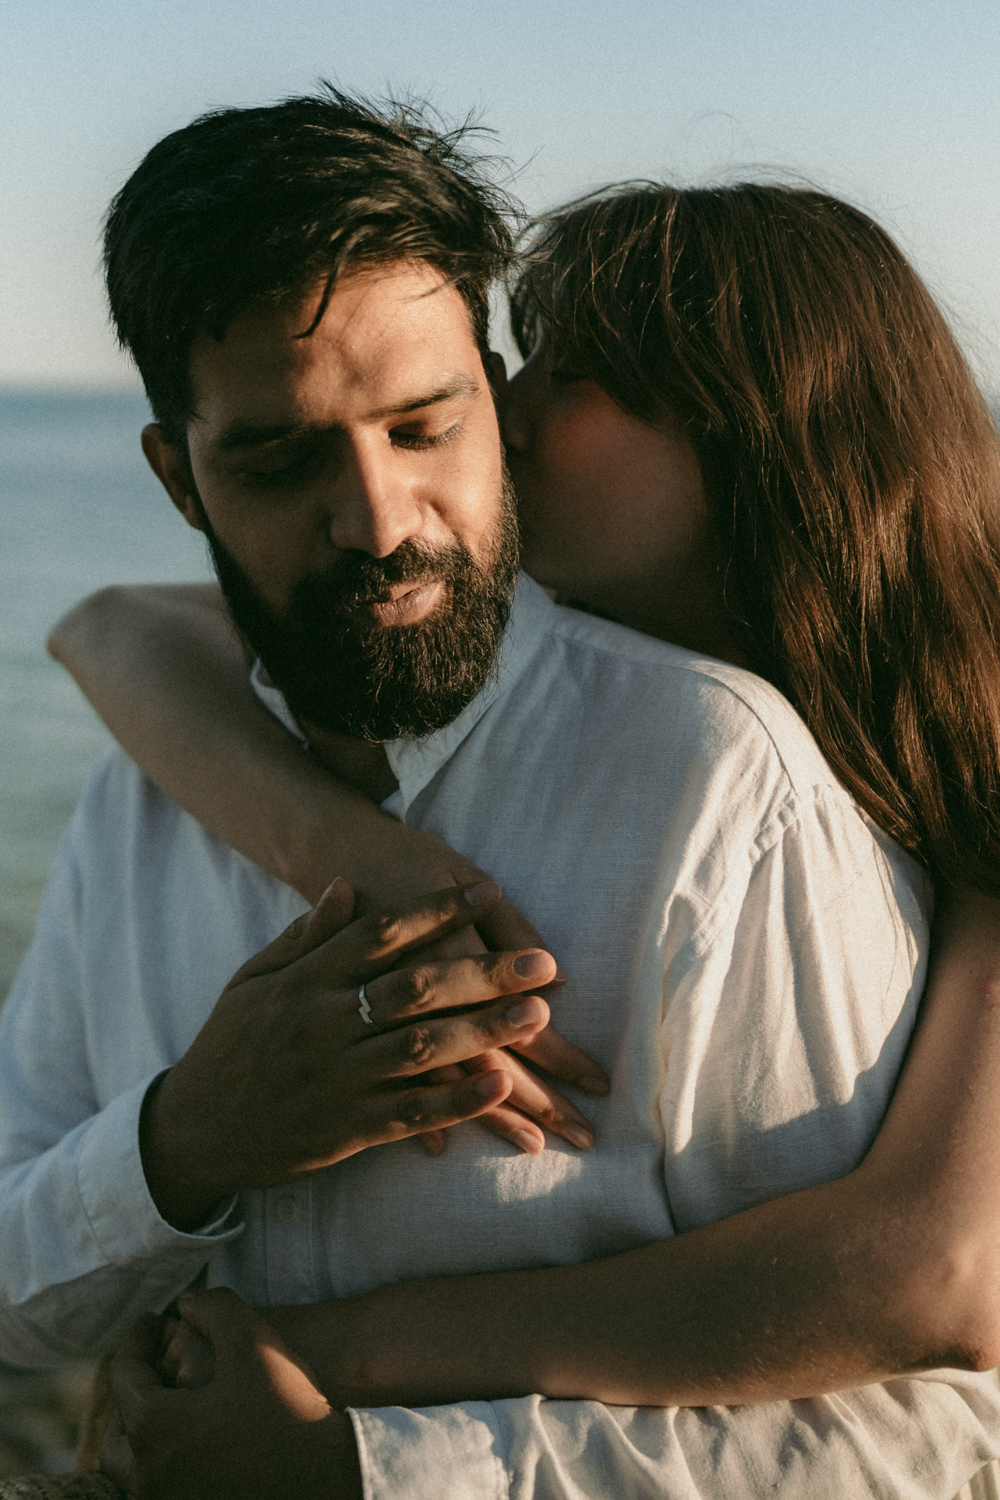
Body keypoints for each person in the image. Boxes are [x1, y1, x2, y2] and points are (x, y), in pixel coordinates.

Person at [4, 89, 1000, 1500]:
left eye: (437, 420)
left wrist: (364, 1448)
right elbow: (118, 630)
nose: (385, 519)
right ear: (179, 474)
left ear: (757, 457)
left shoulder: (751, 784)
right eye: (280, 459)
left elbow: (929, 1351)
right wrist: (186, 1139)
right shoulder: (150, 792)